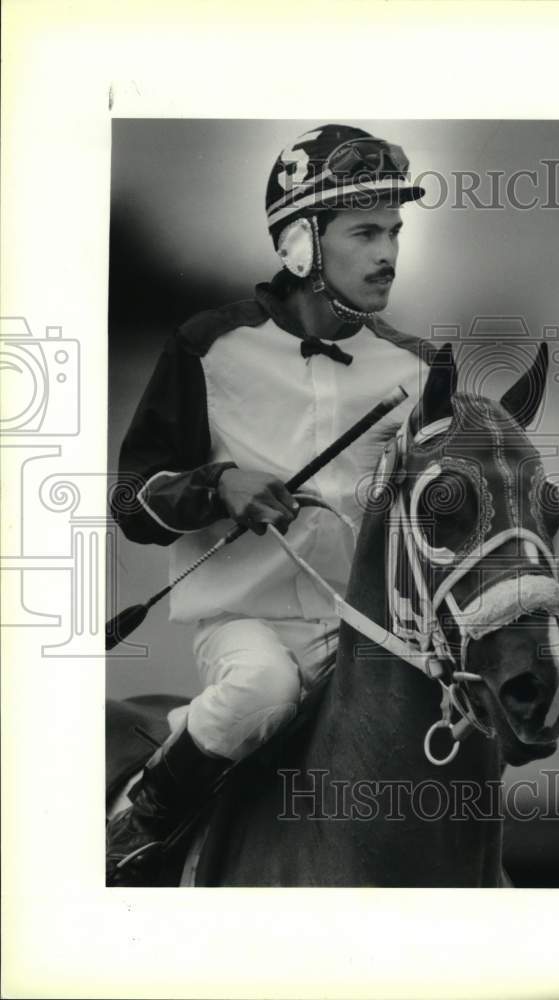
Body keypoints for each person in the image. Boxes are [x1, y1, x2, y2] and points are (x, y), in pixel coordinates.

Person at [106, 123, 432, 885]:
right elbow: (133, 498)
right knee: (262, 689)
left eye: (393, 231)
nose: (387, 254)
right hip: (244, 624)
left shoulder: (416, 370)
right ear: (300, 246)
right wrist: (217, 486)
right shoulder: (206, 344)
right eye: (364, 232)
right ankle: (139, 818)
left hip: (365, 635)